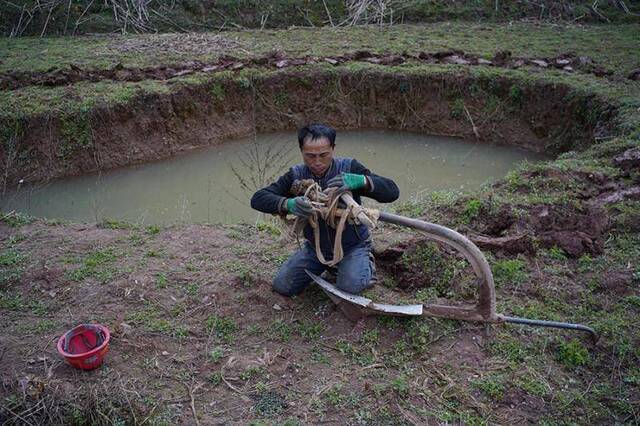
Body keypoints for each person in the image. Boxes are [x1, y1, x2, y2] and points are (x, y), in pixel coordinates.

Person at [251, 123, 399, 297]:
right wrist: (288, 204)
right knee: (282, 285)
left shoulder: (349, 168)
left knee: (348, 287)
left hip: (353, 246)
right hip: (316, 248)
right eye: (310, 156)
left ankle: (366, 263)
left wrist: (364, 181)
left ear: (333, 149)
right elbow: (258, 198)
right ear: (301, 151)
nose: (317, 162)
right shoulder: (296, 176)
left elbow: (392, 191)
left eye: (323, 155)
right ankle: (327, 265)